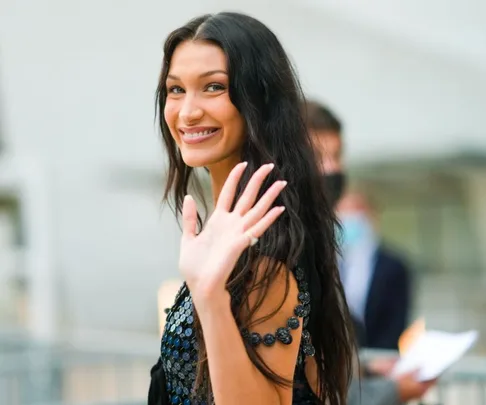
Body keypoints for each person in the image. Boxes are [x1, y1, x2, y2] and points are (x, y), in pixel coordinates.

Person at [148, 12, 355, 405]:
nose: (187, 112)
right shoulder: (236, 234)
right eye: (175, 90)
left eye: (213, 87)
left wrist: (209, 295)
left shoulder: (268, 248)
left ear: (259, 100)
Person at [302, 100, 435, 404]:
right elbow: (311, 386)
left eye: (336, 156)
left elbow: (313, 363)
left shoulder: (318, 245)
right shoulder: (288, 248)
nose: (332, 170)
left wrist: (365, 367)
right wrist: (393, 390)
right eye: (319, 157)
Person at [338, 191, 412, 350]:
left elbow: (396, 322)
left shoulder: (393, 266)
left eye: (356, 210)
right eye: (342, 210)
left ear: (373, 216)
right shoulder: (325, 260)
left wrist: (374, 360)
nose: (348, 217)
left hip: (378, 360)